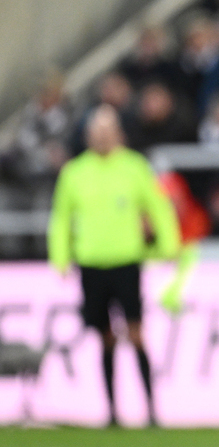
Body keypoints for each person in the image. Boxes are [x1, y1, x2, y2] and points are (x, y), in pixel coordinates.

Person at [47, 104, 180, 428]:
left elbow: (157, 206)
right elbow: (61, 218)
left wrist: (168, 243)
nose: (103, 137)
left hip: (126, 262)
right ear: (89, 135)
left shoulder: (134, 167)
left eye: (108, 131)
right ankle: (112, 413)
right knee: (104, 337)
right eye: (97, 131)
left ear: (118, 133)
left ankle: (150, 409)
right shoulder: (74, 172)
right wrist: (60, 256)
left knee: (135, 334)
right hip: (91, 264)